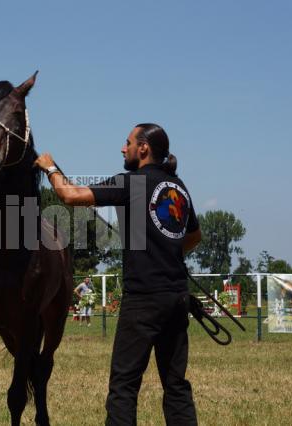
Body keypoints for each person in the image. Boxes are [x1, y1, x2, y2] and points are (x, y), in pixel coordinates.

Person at [34, 123, 202, 425]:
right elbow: (194, 237)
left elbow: (69, 195)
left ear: (144, 148)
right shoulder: (178, 186)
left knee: (124, 386)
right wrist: (166, 254)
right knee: (176, 385)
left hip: (144, 300)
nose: (123, 149)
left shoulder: (132, 183)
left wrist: (50, 167)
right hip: (177, 297)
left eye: (127, 143)